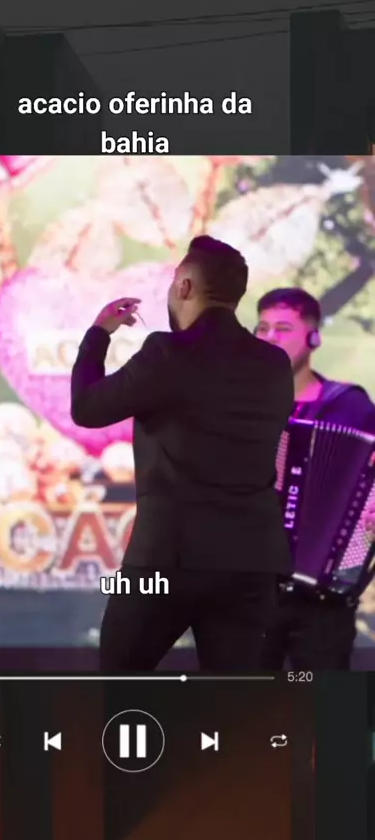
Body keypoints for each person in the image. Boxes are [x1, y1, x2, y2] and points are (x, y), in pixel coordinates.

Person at [70, 235, 294, 672]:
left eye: (174, 282)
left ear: (185, 286)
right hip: (251, 564)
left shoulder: (167, 353)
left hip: (164, 561)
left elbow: (86, 408)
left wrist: (98, 334)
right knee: (237, 700)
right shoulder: (274, 364)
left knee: (118, 679)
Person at [254, 287, 375, 670]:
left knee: (324, 701)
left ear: (314, 337)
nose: (270, 337)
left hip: (325, 595)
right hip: (250, 590)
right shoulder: (240, 405)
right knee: (244, 698)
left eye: (283, 328)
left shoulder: (350, 406)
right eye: (262, 328)